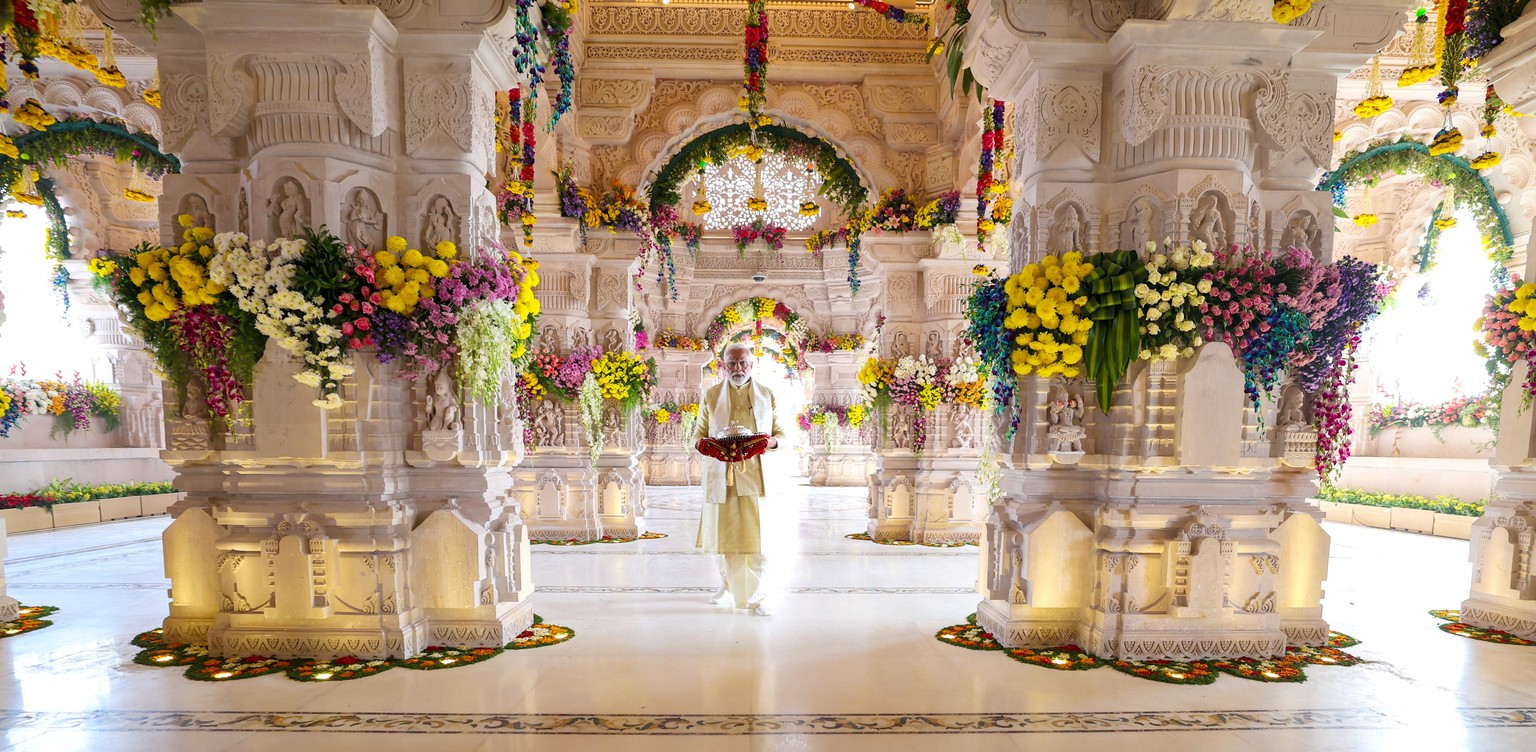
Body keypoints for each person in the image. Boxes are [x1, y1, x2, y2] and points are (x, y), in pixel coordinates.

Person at [695, 342, 785, 617]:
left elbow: (782, 435)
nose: (737, 368)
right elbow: (697, 435)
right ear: (723, 365)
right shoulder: (710, 396)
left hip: (755, 477)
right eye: (731, 363)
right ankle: (728, 585)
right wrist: (707, 447)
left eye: (742, 363)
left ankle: (757, 598)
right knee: (725, 538)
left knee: (757, 540)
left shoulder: (766, 394)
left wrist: (766, 443)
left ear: (752, 364)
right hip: (721, 476)